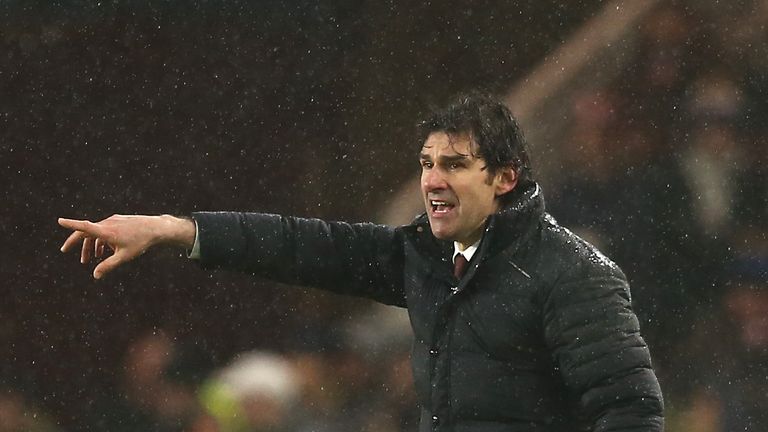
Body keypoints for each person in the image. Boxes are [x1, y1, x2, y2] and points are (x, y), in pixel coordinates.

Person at [59, 94, 664, 431]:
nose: (431, 180)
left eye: (453, 164)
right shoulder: (425, 257)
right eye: (426, 163)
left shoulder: (576, 274)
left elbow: (631, 411)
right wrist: (178, 230)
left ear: (505, 178)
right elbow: (302, 246)